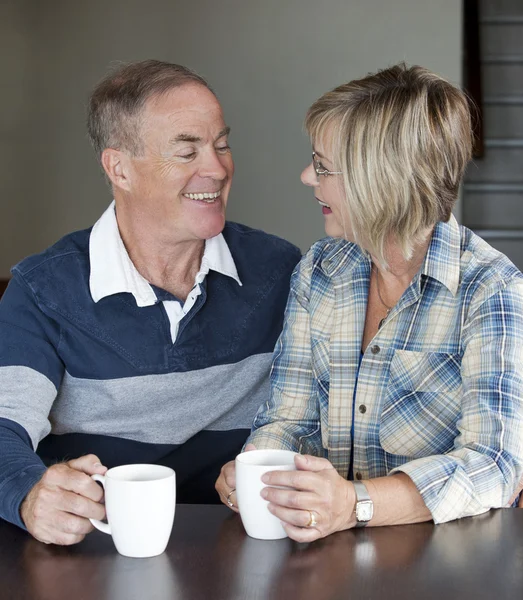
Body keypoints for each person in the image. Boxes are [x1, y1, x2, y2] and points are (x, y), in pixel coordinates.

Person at [216, 64, 523, 541]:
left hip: (447, 566)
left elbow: (494, 466)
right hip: (325, 556)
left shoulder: (491, 291)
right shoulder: (319, 271)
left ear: (380, 179)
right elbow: (288, 418)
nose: (305, 177)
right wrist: (259, 470)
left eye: (321, 166)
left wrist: (354, 504)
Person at [0, 60, 301, 545]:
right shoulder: (43, 290)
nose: (217, 168)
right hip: (98, 554)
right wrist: (29, 493)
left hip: (243, 549)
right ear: (119, 168)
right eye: (187, 152)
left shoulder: (280, 271)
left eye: (221, 144)